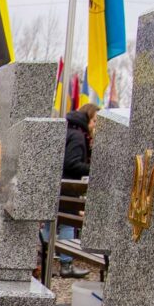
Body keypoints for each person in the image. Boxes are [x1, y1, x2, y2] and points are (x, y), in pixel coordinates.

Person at [54, 102, 100, 277]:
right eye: (95, 120)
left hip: (58, 187)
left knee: (52, 223)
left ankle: (48, 256)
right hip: (68, 188)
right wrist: (92, 168)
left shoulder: (69, 130)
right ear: (87, 118)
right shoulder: (78, 136)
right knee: (67, 224)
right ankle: (66, 264)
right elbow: (71, 163)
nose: (96, 125)